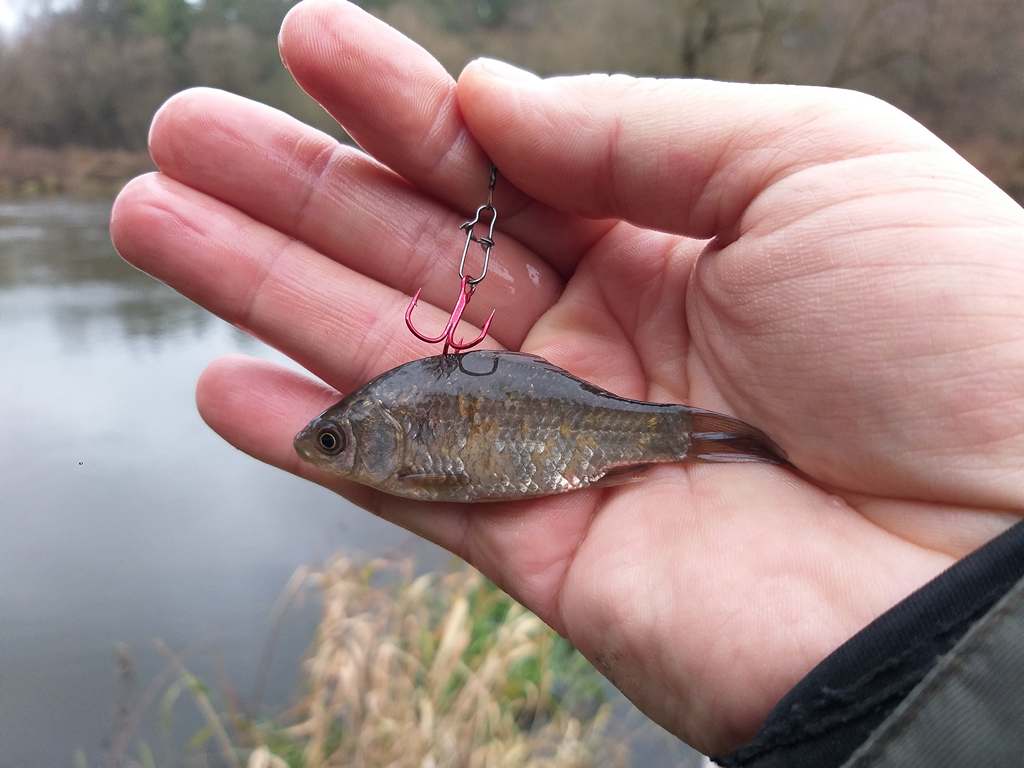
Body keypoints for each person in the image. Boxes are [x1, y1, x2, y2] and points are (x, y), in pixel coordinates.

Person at [109, 1, 1024, 765]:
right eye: (333, 442)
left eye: (338, 440)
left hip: (592, 437)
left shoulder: (408, 425)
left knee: (662, 432)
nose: (328, 449)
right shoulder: (400, 418)